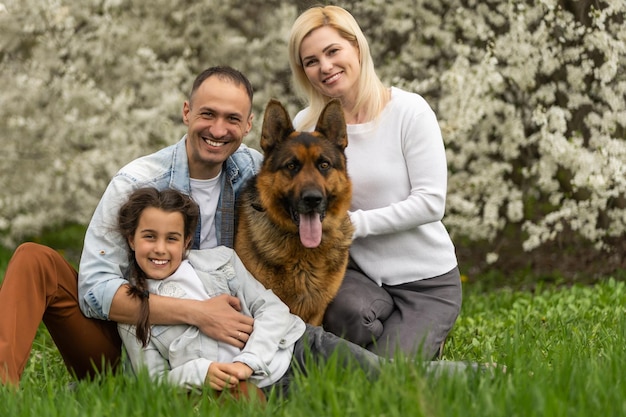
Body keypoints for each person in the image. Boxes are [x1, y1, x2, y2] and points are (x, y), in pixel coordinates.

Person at [0, 66, 263, 386]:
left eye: (232, 119)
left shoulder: (256, 172)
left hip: (222, 349)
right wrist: (198, 312)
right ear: (186, 112)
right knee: (33, 259)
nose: (219, 130)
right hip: (132, 345)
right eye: (208, 114)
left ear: (249, 124)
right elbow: (95, 290)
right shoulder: (137, 182)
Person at [287, 6, 462, 360]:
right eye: (311, 61)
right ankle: (387, 332)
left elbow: (431, 202)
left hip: (426, 282)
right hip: (354, 274)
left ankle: (425, 342)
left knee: (383, 377)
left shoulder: (409, 112)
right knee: (346, 322)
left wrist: (353, 224)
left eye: (333, 51)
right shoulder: (305, 124)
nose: (324, 67)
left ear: (357, 47)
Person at [116, 187, 381, 398]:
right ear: (131, 239)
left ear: (186, 241)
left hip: (298, 345)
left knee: (388, 376)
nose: (160, 249)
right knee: (343, 401)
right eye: (149, 237)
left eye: (171, 238)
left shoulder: (220, 261)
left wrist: (248, 361)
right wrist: (200, 372)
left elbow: (273, 310)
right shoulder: (133, 308)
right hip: (262, 387)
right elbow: (153, 382)